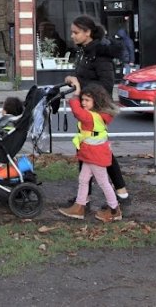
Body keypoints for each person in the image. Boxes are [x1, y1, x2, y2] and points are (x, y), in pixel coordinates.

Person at [63, 14, 132, 207]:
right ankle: (93, 194)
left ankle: (119, 193)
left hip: (96, 112)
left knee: (97, 151)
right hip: (88, 107)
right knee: (88, 150)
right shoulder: (85, 51)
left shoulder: (100, 54)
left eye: (76, 32)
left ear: (88, 32)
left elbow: (106, 85)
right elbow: (85, 76)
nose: (72, 36)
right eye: (72, 32)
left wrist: (81, 88)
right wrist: (73, 80)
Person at [58, 83, 123, 223]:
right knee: (83, 179)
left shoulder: (91, 117)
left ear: (96, 101)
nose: (83, 103)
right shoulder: (99, 115)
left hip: (95, 155)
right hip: (91, 154)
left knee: (103, 182)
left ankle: (114, 210)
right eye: (82, 100)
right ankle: (79, 206)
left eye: (87, 100)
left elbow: (77, 111)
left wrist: (75, 94)